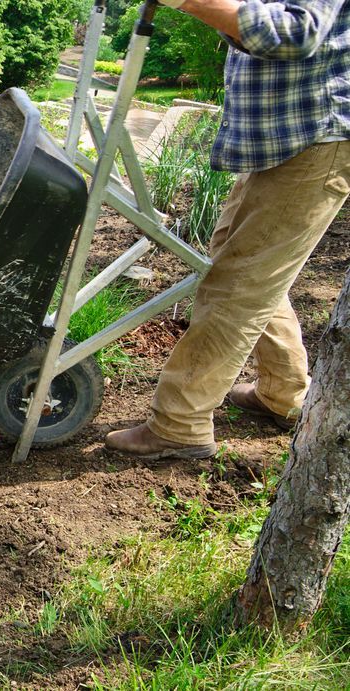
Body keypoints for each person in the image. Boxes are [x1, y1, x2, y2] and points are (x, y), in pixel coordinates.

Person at [106, 0, 350, 459]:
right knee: (241, 267)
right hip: (285, 139)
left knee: (237, 285)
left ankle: (180, 424)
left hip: (315, 137)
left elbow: (296, 33)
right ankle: (285, 393)